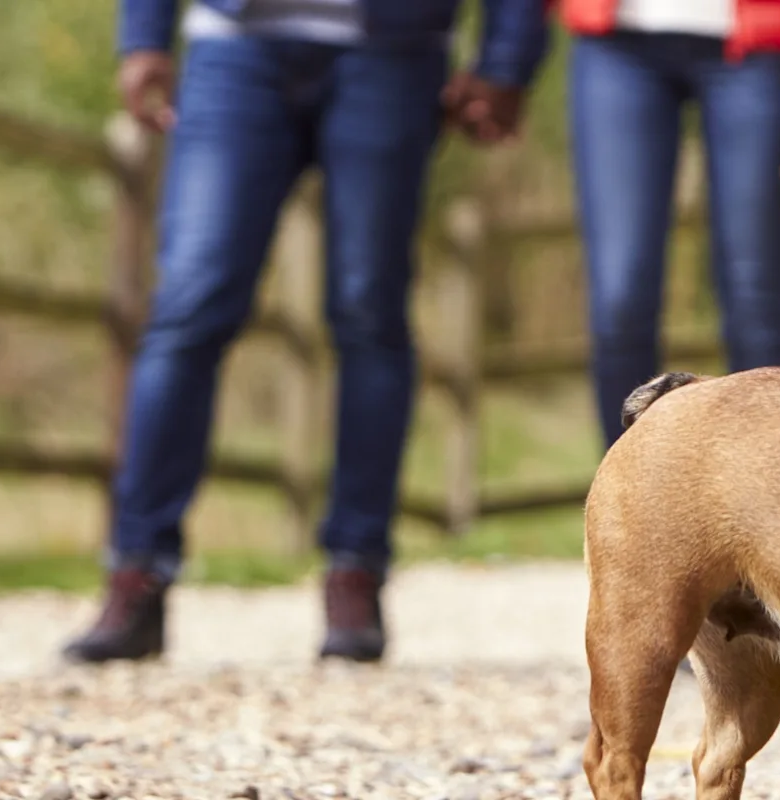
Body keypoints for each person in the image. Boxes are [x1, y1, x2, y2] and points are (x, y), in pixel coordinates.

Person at [59, 0, 552, 665]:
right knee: (189, 304)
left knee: (369, 310)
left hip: (392, 47)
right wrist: (144, 33)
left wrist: (507, 55)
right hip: (234, 43)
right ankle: (137, 573)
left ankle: (356, 571)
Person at [552, 0, 780, 447]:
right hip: (614, 45)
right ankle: (625, 507)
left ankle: (769, 505)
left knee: (756, 309)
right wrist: (506, 55)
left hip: (761, 48)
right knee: (618, 304)